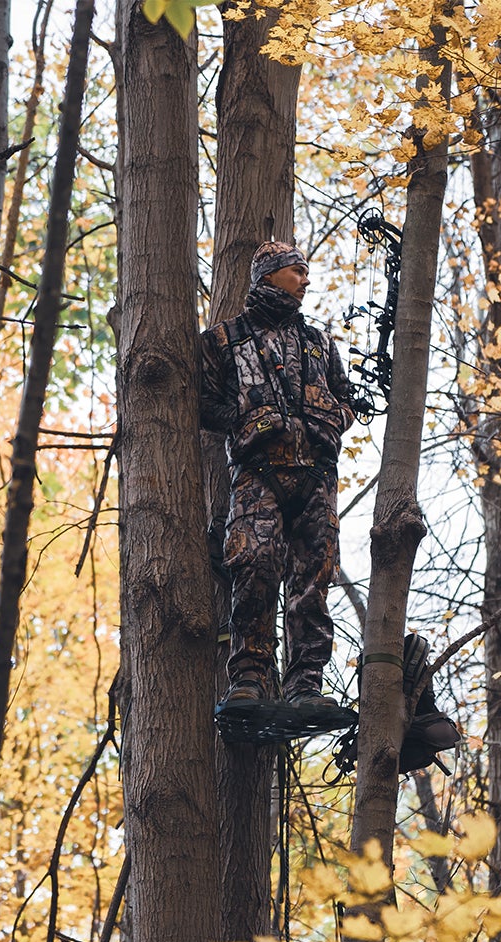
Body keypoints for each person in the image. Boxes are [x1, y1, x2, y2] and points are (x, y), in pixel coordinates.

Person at [200, 242, 356, 710]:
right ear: (269, 276)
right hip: (258, 475)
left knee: (315, 579)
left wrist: (332, 419)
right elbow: (204, 405)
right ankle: (248, 679)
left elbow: (347, 400)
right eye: (297, 271)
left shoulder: (320, 343)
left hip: (316, 479)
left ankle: (305, 686)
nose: (305, 280)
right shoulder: (224, 339)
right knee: (255, 564)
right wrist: (250, 417)